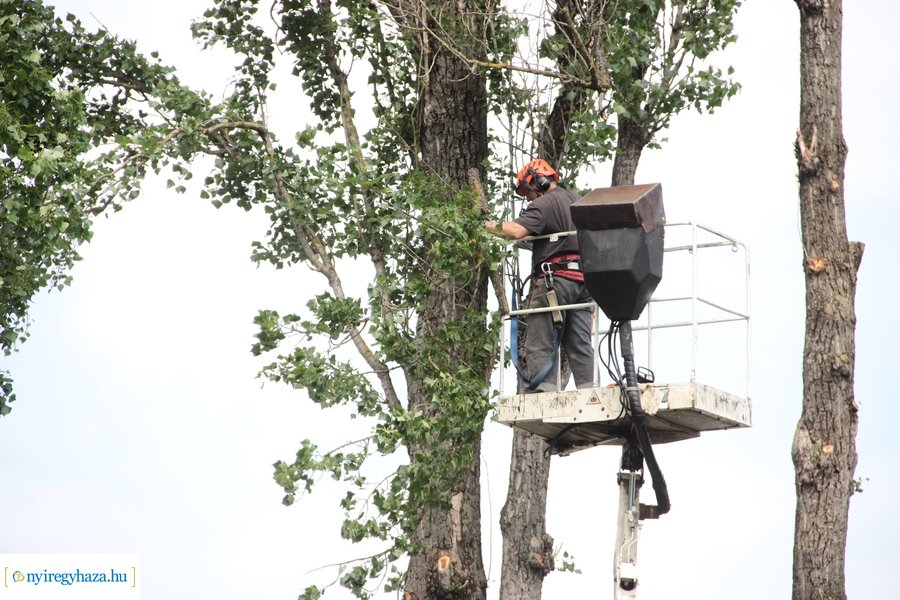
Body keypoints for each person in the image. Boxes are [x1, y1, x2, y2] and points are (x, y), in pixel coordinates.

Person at [484, 159, 597, 392]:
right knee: (580, 344)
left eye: (527, 191)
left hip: (554, 282)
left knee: (540, 341)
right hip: (583, 284)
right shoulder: (577, 200)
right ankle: (591, 391)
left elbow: (515, 231)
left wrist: (483, 224)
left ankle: (545, 393)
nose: (527, 198)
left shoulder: (544, 205)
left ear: (538, 181)